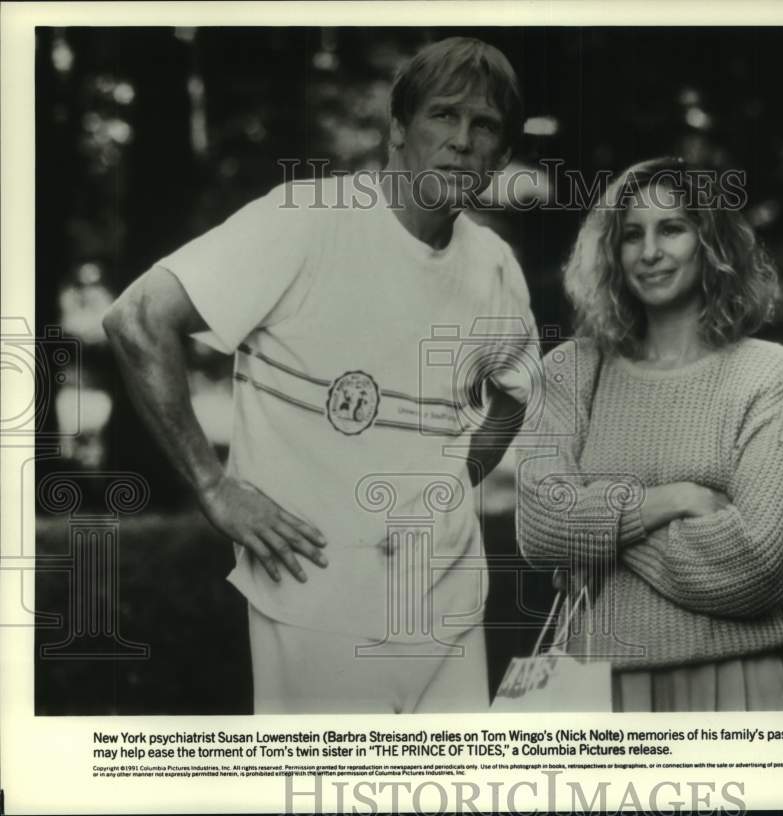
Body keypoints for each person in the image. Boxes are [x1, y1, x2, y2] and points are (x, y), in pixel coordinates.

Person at [103, 37, 538, 714]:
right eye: (442, 116)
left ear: (501, 154)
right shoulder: (307, 220)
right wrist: (213, 487)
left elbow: (514, 394)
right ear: (398, 127)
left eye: (484, 126)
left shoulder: (494, 268)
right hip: (317, 604)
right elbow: (136, 319)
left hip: (448, 610)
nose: (461, 141)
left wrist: (455, 482)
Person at [516, 156, 783, 711]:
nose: (649, 251)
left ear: (712, 244)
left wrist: (600, 535)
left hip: (732, 681)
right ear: (612, 252)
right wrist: (673, 500)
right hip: (596, 682)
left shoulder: (770, 374)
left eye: (672, 228)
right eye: (632, 235)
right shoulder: (572, 371)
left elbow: (759, 565)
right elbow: (538, 528)